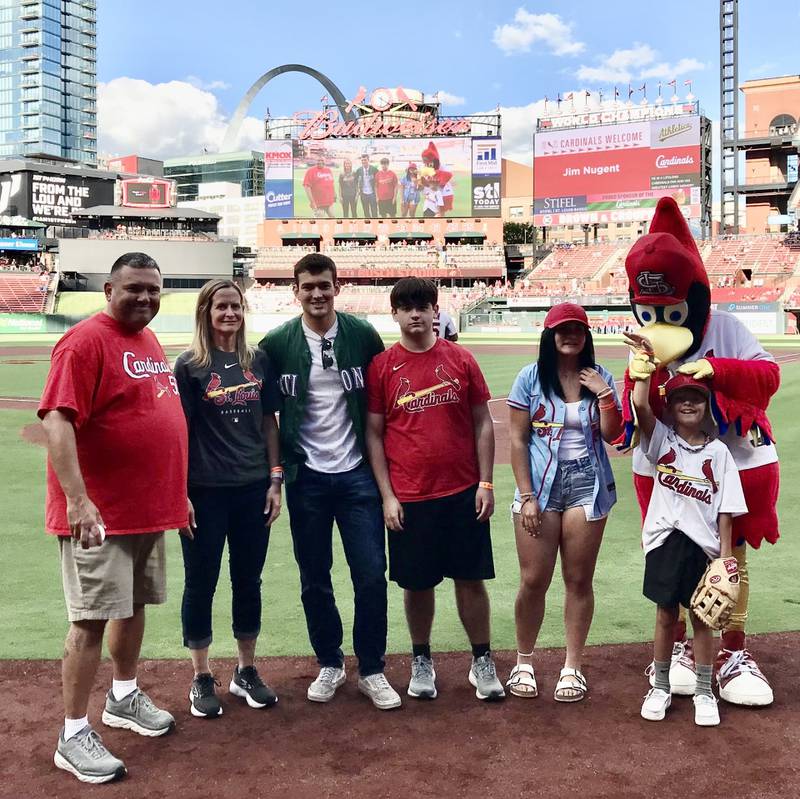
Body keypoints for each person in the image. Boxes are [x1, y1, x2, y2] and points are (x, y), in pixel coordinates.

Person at [620, 197, 779, 706]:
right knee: (674, 557)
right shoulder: (644, 340)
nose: (659, 320)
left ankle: (730, 650)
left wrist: (720, 371)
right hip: (667, 470)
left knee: (726, 559)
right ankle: (684, 652)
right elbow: (634, 415)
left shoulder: (726, 327)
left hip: (727, 463)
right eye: (649, 310)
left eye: (669, 309)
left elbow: (767, 377)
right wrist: (637, 377)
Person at [39, 252, 189, 783]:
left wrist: (178, 493)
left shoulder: (146, 340)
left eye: (153, 289)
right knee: (90, 618)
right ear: (109, 289)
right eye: (134, 289)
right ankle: (72, 732)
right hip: (101, 514)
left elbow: (155, 417)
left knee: (133, 607)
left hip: (147, 509)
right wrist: (78, 501)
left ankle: (123, 696)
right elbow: (58, 421)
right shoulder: (84, 341)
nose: (145, 298)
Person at [258, 253, 400, 710]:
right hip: (307, 478)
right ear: (294, 291)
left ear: (337, 287)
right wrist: (277, 475)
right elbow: (268, 417)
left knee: (371, 574)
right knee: (314, 577)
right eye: (308, 286)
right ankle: (330, 662)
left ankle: (372, 668)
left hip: (358, 474)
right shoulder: (278, 343)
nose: (316, 293)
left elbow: (381, 407)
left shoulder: (362, 335)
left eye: (324, 285)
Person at [366, 277, 503, 702]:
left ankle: (482, 660)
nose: (415, 314)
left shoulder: (460, 360)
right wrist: (388, 495)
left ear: (435, 310)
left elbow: (483, 421)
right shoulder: (383, 367)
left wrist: (485, 482)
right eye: (406, 307)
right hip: (410, 496)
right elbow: (374, 433)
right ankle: (421, 658)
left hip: (462, 491)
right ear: (395, 314)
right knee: (417, 584)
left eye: (423, 306)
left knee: (470, 578)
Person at [174, 280, 282, 718]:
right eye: (221, 306)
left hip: (252, 488)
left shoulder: (258, 361)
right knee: (201, 582)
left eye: (236, 305)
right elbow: (178, 435)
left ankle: (245, 670)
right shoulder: (190, 366)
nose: (230, 313)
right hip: (205, 491)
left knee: (248, 580)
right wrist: (178, 493)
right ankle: (201, 675)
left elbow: (269, 421)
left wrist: (275, 480)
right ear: (206, 311)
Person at [505, 303, 622, 702]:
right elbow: (518, 440)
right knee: (534, 579)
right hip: (539, 485)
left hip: (587, 485)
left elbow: (612, 435)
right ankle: (524, 661)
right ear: (549, 334)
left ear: (587, 335)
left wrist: (604, 394)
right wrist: (526, 497)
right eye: (562, 329)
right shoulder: (530, 378)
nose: (570, 335)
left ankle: (572, 667)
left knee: (578, 580)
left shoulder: (599, 377)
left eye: (578, 329)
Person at [630, 352, 747, 727]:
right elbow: (639, 406)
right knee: (666, 614)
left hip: (704, 545)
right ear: (672, 406)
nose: (688, 403)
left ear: (705, 405)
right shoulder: (661, 440)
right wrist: (644, 370)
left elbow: (726, 508)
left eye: (696, 398)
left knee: (703, 617)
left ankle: (703, 691)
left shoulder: (719, 452)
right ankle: (661, 686)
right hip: (666, 540)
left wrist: (726, 560)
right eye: (681, 398)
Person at [355, 153, 378, 218]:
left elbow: (378, 181)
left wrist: (377, 194)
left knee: (374, 211)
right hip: (363, 194)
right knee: (366, 211)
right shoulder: (359, 170)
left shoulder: (374, 169)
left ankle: (375, 225)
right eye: (362, 160)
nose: (363, 161)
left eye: (365, 160)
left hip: (372, 194)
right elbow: (355, 182)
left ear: (368, 160)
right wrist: (358, 191)